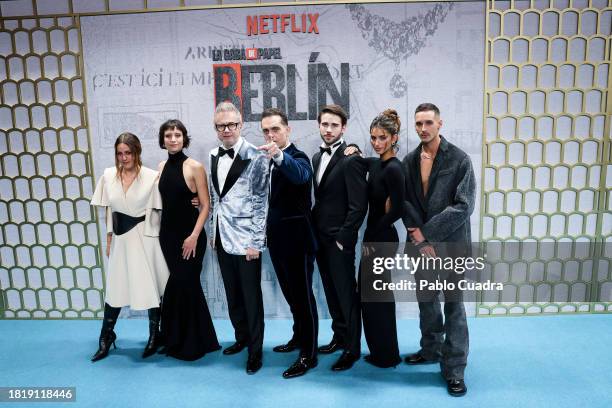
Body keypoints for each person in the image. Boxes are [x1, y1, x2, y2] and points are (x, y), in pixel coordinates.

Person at [401, 103, 475, 397]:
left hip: (452, 247)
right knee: (427, 302)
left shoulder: (459, 160)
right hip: (421, 249)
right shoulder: (408, 161)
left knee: (454, 307)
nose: (423, 128)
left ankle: (454, 370)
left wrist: (427, 233)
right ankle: (430, 350)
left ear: (440, 124)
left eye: (428, 122)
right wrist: (420, 241)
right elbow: (405, 200)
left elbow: (464, 206)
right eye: (418, 123)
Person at [90, 133, 169, 362]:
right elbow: (109, 211)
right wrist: (109, 238)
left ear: (137, 153)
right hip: (121, 239)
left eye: (128, 153)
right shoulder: (107, 176)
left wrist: (195, 200)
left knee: (150, 287)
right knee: (115, 288)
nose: (124, 158)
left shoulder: (152, 177)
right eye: (119, 153)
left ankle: (154, 336)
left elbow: (165, 204)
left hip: (146, 238)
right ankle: (106, 337)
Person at [209, 102, 269, 374]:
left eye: (232, 124)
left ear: (241, 124)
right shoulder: (212, 154)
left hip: (247, 241)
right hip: (222, 237)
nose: (227, 130)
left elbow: (261, 202)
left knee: (251, 298)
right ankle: (242, 338)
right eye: (222, 126)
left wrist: (256, 242)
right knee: (233, 296)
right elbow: (218, 197)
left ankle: (256, 352)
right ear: (216, 128)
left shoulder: (255, 155)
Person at [258, 108, 318, 378]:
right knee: (292, 297)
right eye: (266, 131)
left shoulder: (297, 157)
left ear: (287, 130)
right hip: (278, 242)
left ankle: (309, 354)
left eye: (275, 130)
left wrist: (279, 156)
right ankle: (298, 338)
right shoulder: (268, 161)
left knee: (303, 299)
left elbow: (301, 176)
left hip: (298, 242)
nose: (271, 135)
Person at [157, 119, 221, 361]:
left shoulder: (195, 167)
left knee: (187, 285)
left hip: (191, 236)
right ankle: (175, 338)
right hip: (168, 237)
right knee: (177, 287)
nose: (173, 139)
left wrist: (193, 236)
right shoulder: (162, 166)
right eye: (168, 135)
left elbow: (206, 205)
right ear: (162, 140)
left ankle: (194, 343)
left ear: (184, 138)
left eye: (177, 135)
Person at [311, 104, 368, 371]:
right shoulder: (315, 158)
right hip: (320, 238)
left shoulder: (352, 157)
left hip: (339, 241)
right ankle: (339, 336)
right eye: (325, 124)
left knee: (346, 295)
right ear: (319, 126)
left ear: (343, 128)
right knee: (331, 293)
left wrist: (344, 237)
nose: (329, 129)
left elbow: (359, 205)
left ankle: (352, 348)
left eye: (334, 125)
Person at [359, 109, 405, 368]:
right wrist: (353, 150)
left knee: (378, 298)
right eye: (373, 138)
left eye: (382, 138)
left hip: (383, 239)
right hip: (374, 237)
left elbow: (397, 210)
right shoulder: (377, 164)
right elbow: (366, 162)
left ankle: (386, 356)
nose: (376, 143)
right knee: (372, 297)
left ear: (394, 138)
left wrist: (373, 241)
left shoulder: (394, 169)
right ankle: (381, 350)